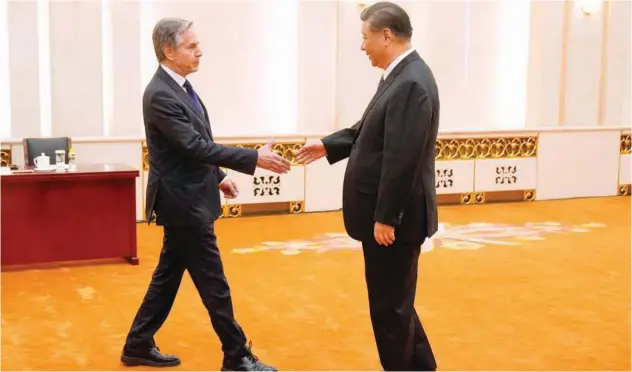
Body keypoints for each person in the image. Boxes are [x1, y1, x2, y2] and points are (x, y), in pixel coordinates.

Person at [121, 18, 289, 371]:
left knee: (168, 277)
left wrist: (218, 176)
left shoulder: (180, 88)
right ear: (168, 50)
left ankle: (138, 343)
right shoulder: (160, 94)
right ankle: (237, 355)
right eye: (191, 46)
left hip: (189, 197)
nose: (200, 52)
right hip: (184, 204)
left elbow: (196, 146)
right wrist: (253, 156)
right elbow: (192, 146)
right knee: (214, 284)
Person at [296, 2, 440, 371]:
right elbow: (369, 129)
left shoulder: (410, 82)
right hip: (393, 218)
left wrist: (387, 217)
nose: (362, 46)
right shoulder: (401, 76)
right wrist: (329, 145)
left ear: (386, 36)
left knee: (388, 309)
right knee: (396, 303)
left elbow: (401, 159)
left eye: (364, 37)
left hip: (395, 223)